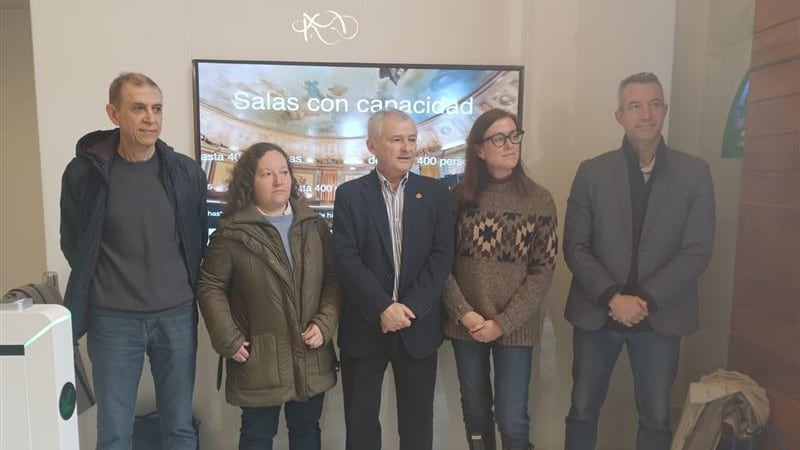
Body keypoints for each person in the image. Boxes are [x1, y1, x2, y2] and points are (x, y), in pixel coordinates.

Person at [563, 72, 715, 450]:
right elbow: (575, 246)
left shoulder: (694, 173)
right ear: (619, 115)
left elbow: (697, 250)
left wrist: (644, 298)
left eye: (654, 104)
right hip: (598, 313)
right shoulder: (591, 172)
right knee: (581, 411)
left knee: (656, 419)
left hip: (660, 318)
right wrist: (614, 297)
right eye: (635, 106)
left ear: (664, 110)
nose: (645, 114)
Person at [60, 72, 207, 449]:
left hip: (176, 316)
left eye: (157, 109)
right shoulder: (84, 173)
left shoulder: (185, 172)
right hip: (112, 320)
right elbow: (74, 243)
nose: (150, 118)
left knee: (179, 428)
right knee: (114, 433)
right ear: (113, 113)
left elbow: (195, 241)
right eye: (138, 108)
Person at [196, 142, 340, 450]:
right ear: (250, 182)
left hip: (310, 355)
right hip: (259, 360)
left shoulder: (314, 226)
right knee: (257, 437)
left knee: (307, 431)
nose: (279, 181)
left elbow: (333, 279)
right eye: (267, 174)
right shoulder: (232, 232)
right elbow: (210, 285)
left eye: (284, 172)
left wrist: (325, 323)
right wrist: (228, 339)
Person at [332, 109, 454, 450]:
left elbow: (443, 255)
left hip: (418, 327)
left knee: (417, 428)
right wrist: (383, 306)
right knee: (361, 427)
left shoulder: (435, 193)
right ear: (372, 145)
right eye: (396, 139)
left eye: (412, 139)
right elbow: (346, 258)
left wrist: (408, 307)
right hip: (365, 326)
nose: (407, 148)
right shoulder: (350, 195)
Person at [444, 108, 558, 450]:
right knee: (476, 411)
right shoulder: (457, 199)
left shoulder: (539, 200)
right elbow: (441, 267)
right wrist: (465, 314)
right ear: (479, 149)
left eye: (514, 136)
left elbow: (542, 272)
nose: (510, 144)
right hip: (467, 324)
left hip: (515, 327)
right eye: (499, 138)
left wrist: (502, 323)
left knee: (512, 418)